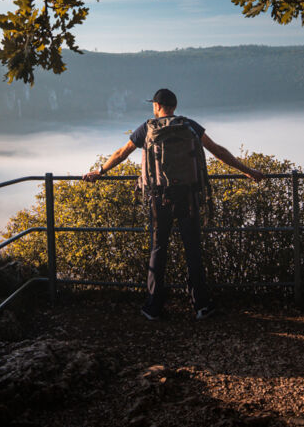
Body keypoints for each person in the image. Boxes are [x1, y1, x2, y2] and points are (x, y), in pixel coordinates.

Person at [83, 88, 265, 321]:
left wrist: (100, 171)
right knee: (193, 250)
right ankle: (201, 306)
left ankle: (153, 307)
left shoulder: (147, 128)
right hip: (188, 196)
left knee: (158, 250)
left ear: (157, 106)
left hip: (160, 198)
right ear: (174, 107)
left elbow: (122, 153)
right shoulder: (189, 126)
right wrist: (248, 171)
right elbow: (218, 151)